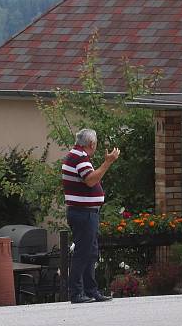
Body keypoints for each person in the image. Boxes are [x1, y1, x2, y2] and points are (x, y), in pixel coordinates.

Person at [62, 128, 120, 303]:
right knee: (83, 252)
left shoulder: (76, 155)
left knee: (90, 252)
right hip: (83, 213)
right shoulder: (79, 158)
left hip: (85, 212)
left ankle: (90, 290)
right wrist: (108, 162)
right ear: (91, 144)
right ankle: (77, 293)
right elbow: (91, 180)